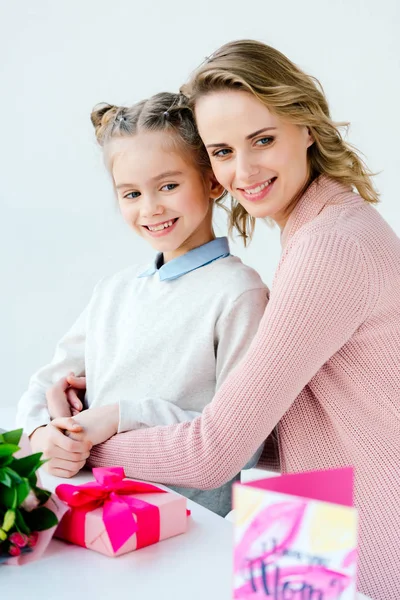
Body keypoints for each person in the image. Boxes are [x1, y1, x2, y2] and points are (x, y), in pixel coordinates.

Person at [53, 41, 399, 599]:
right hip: (312, 502)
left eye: (262, 140)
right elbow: (280, 418)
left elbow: (214, 453)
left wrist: (80, 444)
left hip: (362, 522)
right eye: (221, 150)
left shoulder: (328, 248)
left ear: (306, 126)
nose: (244, 170)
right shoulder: (324, 226)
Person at [16, 91, 268, 517]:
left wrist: (118, 417)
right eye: (130, 194)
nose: (150, 208)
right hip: (91, 512)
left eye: (168, 186)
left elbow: (239, 444)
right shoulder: (114, 291)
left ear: (210, 180)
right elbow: (47, 385)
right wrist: (44, 435)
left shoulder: (239, 293)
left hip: (187, 528)